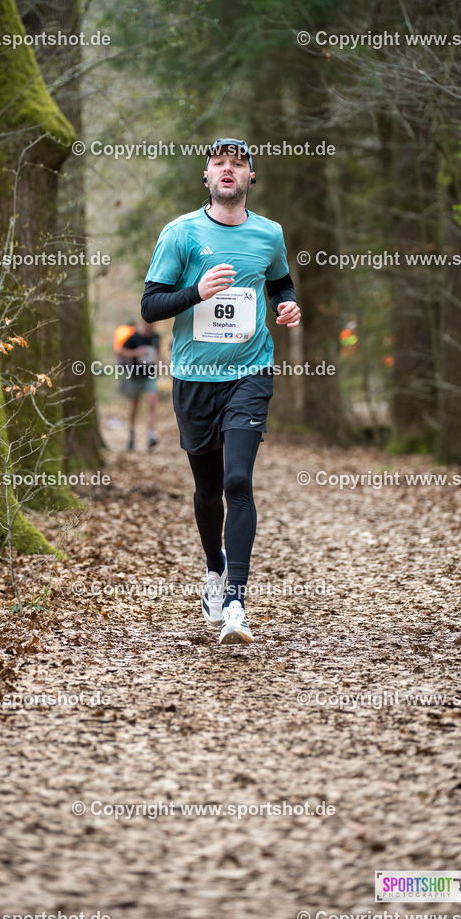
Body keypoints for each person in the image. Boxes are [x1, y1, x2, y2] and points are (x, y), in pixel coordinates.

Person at [140, 138, 300, 644]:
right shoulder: (181, 233)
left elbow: (279, 283)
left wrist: (287, 306)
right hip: (193, 380)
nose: (227, 170)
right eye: (218, 163)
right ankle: (214, 567)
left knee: (237, 481)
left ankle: (236, 602)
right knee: (208, 491)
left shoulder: (269, 233)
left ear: (251, 178)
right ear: (206, 178)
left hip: (250, 375)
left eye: (238, 164)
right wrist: (198, 293)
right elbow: (151, 306)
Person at [118, 319, 160, 450]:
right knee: (134, 407)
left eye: (152, 323)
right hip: (135, 377)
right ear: (143, 323)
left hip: (150, 376)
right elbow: (120, 351)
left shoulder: (156, 337)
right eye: (148, 323)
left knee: (152, 404)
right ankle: (131, 435)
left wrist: (161, 366)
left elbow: (158, 354)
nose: (150, 325)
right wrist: (135, 353)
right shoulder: (134, 338)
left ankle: (151, 436)